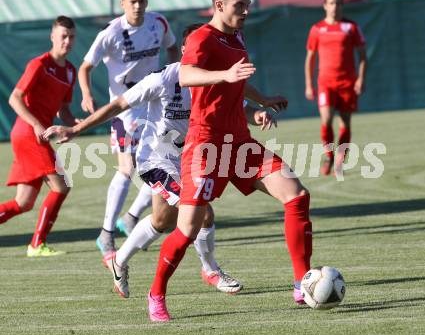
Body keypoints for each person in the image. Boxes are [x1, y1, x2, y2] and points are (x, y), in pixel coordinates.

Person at [44, 23, 277, 298]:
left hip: (190, 159)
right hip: (156, 160)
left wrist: (257, 114)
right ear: (183, 51)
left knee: (161, 220)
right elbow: (119, 104)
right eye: (194, 48)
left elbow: (238, 106)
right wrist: (75, 129)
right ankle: (211, 269)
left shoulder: (215, 80)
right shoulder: (164, 78)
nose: (201, 53)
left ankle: (119, 260)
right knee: (202, 212)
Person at [140, 0, 312, 322]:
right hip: (205, 145)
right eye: (239, 5)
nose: (246, 10)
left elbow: (236, 81)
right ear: (219, 5)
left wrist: (261, 101)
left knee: (297, 195)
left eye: (247, 4)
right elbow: (187, 75)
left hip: (240, 144)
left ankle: (301, 283)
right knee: (187, 228)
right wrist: (225, 75)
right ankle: (156, 293)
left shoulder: (237, 36)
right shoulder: (202, 37)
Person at [78, 0, 179, 257]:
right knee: (127, 168)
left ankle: (131, 217)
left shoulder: (158, 23)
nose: (138, 6)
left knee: (165, 164)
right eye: (132, 1)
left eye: (142, 1)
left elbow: (173, 49)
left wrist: (170, 77)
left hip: (155, 106)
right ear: (123, 3)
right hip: (126, 110)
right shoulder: (111, 33)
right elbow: (85, 67)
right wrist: (87, 94)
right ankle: (107, 232)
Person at [0, 16, 78, 257]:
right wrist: (35, 124)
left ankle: (37, 244)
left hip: (38, 134)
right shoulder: (39, 64)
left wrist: (74, 125)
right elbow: (15, 97)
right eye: (63, 36)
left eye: (71, 37)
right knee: (61, 186)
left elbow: (62, 110)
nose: (67, 41)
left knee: (23, 203)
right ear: (52, 37)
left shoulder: (70, 71)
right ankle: (37, 244)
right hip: (28, 132)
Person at [305, 0, 367, 175]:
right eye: (331, 3)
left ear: (342, 5)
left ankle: (339, 162)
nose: (334, 7)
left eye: (338, 3)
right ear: (325, 6)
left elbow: (363, 56)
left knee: (345, 123)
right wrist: (309, 84)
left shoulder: (351, 27)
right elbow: (310, 58)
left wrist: (360, 79)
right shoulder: (317, 29)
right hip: (326, 82)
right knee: (327, 119)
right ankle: (329, 156)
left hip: (347, 83)